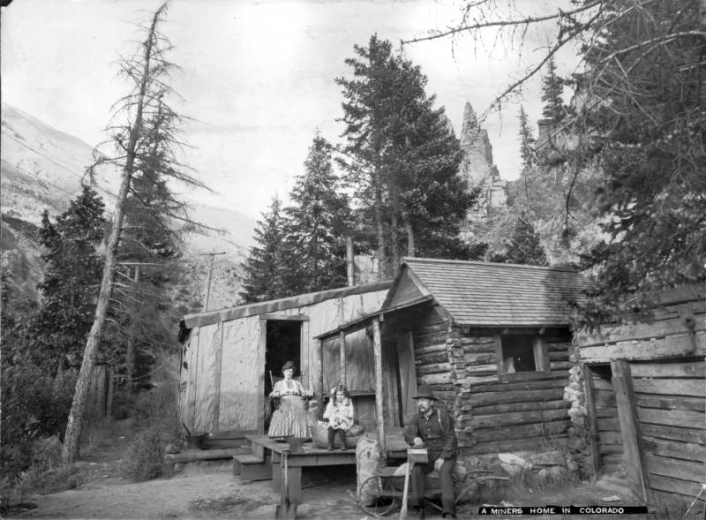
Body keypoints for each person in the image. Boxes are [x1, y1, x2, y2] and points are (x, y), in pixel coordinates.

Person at [403, 385, 458, 519]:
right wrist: (414, 438)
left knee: (444, 473)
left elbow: (451, 438)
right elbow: (408, 434)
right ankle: (419, 508)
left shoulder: (442, 415)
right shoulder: (416, 418)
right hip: (428, 454)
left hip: (446, 453)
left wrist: (443, 458)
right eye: (418, 401)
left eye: (424, 400)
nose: (420, 404)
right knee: (416, 470)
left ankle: (449, 512)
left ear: (431, 402)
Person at [267, 361, 314, 440]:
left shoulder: (297, 383)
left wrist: (308, 393)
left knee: (303, 411)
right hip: (284, 401)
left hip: (297, 400)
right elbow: (272, 395)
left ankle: (301, 436)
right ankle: (285, 435)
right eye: (287, 371)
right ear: (283, 372)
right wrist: (282, 392)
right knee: (287, 411)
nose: (289, 373)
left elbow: (303, 393)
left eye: (291, 372)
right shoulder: (279, 384)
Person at [323, 384, 354, 451]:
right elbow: (329, 409)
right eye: (338, 395)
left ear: (345, 395)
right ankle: (330, 444)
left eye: (341, 395)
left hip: (344, 419)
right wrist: (331, 395)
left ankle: (342, 444)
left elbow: (351, 411)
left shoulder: (348, 402)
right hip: (335, 418)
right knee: (331, 428)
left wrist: (349, 415)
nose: (339, 397)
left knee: (341, 428)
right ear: (335, 395)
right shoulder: (333, 401)